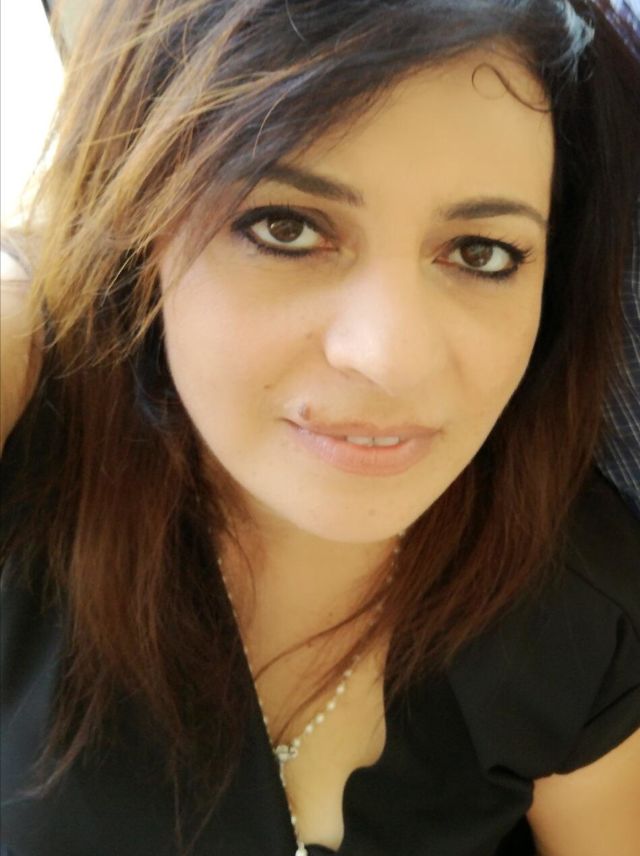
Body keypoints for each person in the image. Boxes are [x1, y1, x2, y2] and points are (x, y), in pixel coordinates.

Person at [1, 1, 639, 855]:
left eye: (481, 252)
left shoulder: (584, 611)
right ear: (142, 229)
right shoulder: (28, 437)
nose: (390, 358)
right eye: (287, 227)